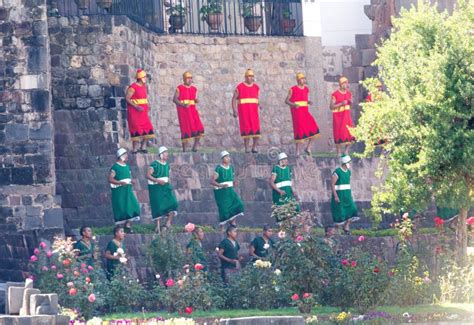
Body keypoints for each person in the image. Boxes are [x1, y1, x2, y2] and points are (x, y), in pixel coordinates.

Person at [285, 72, 320, 155]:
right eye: (301, 79)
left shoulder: (306, 89)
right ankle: (297, 151)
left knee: (314, 128)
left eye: (304, 78)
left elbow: (303, 99)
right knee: (299, 131)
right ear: (298, 80)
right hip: (297, 113)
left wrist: (308, 102)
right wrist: (293, 104)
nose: (303, 80)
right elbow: (286, 101)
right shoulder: (292, 89)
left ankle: (308, 148)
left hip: (305, 111)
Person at [146, 146, 178, 233]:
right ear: (160, 154)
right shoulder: (154, 164)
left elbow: (168, 177)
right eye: (165, 153)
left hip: (166, 187)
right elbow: (148, 175)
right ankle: (157, 226)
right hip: (156, 187)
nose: (167, 154)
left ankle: (168, 223)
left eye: (167, 152)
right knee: (158, 206)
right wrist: (157, 180)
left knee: (173, 203)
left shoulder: (167, 165)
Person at [108, 148, 140, 233]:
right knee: (121, 208)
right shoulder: (115, 167)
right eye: (125, 155)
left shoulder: (127, 166)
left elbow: (128, 177)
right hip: (119, 191)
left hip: (128, 190)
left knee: (134, 207)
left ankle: (128, 224)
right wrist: (120, 182)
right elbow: (110, 179)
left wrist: (132, 181)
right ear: (121, 156)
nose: (127, 157)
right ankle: (120, 229)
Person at [211, 151, 245, 229]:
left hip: (230, 190)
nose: (228, 158)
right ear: (222, 159)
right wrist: (221, 185)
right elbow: (212, 181)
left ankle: (233, 223)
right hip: (221, 192)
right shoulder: (219, 168)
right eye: (226, 157)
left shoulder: (231, 168)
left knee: (238, 204)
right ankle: (222, 227)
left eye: (229, 157)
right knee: (224, 209)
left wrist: (234, 183)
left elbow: (231, 180)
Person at [173, 71, 205, 152]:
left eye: (190, 78)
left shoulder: (194, 89)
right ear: (184, 79)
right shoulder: (179, 88)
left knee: (199, 127)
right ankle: (184, 150)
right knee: (185, 129)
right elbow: (175, 99)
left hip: (193, 111)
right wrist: (183, 105)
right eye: (188, 78)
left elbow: (192, 99)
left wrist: (195, 100)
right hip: (184, 112)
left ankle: (195, 146)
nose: (189, 80)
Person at [125, 69, 155, 154]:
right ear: (141, 78)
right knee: (136, 130)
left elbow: (144, 98)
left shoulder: (144, 87)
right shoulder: (133, 87)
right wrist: (136, 106)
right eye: (144, 77)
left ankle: (143, 146)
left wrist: (147, 105)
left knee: (148, 129)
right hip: (135, 112)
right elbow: (127, 98)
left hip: (143, 113)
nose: (145, 78)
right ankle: (135, 149)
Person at [232, 69, 261, 153]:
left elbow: (255, 97)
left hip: (254, 112)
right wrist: (234, 110)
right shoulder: (240, 87)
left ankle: (254, 147)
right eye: (248, 76)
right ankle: (246, 147)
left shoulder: (256, 87)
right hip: (244, 112)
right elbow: (234, 99)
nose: (249, 78)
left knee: (256, 130)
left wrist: (259, 104)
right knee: (246, 129)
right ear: (245, 77)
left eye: (251, 76)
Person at [331, 155, 359, 234]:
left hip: (347, 195)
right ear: (345, 163)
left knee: (353, 209)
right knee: (340, 212)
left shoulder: (349, 172)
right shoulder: (337, 171)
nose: (350, 164)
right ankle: (337, 230)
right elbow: (332, 184)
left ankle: (346, 226)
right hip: (339, 195)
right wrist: (335, 196)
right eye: (349, 162)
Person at [330, 76, 356, 156]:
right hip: (338, 116)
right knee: (339, 133)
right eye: (344, 83)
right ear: (340, 85)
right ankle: (338, 152)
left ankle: (346, 150)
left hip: (347, 116)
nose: (346, 85)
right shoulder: (335, 94)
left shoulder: (349, 93)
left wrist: (351, 102)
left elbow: (350, 107)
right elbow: (331, 106)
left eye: (346, 83)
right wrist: (341, 103)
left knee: (351, 133)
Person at [365, 80, 386, 146]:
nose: (379, 88)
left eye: (380, 87)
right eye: (377, 87)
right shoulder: (370, 96)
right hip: (373, 117)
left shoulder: (383, 96)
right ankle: (372, 153)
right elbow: (367, 106)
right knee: (372, 135)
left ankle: (382, 154)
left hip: (381, 117)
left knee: (383, 135)